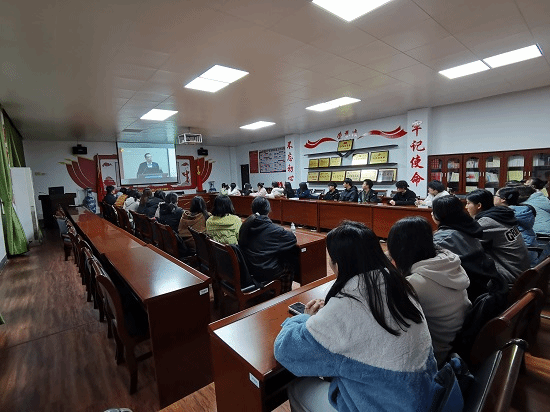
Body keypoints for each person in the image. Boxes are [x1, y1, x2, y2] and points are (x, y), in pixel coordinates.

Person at [274, 221, 436, 412]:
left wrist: (307, 318)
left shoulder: (348, 305)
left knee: (297, 386)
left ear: (337, 264)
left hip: (384, 405)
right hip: (421, 395)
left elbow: (285, 350)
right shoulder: (399, 284)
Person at [387, 216, 471, 367]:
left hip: (435, 354)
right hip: (454, 341)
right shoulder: (448, 260)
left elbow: (389, 316)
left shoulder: (416, 283)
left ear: (399, 249)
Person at [431, 195, 505, 302]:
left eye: (434, 211)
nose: (431, 213)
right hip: (488, 285)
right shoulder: (470, 226)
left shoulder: (442, 239)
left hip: (468, 291)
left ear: (439, 215)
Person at [465, 189, 530, 284]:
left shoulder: (487, 222)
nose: (466, 207)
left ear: (479, 205)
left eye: (468, 203)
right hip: (521, 270)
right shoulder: (500, 216)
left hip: (510, 273)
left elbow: (466, 242)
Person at [239, 197, 298, 293]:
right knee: (289, 264)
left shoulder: (246, 225)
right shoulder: (273, 229)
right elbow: (292, 239)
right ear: (268, 210)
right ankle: (285, 295)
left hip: (249, 268)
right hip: (265, 270)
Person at [494, 186, 540, 266]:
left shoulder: (504, 214)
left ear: (503, 199)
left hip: (519, 254)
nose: (494, 197)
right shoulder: (524, 211)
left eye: (495, 195)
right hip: (530, 251)